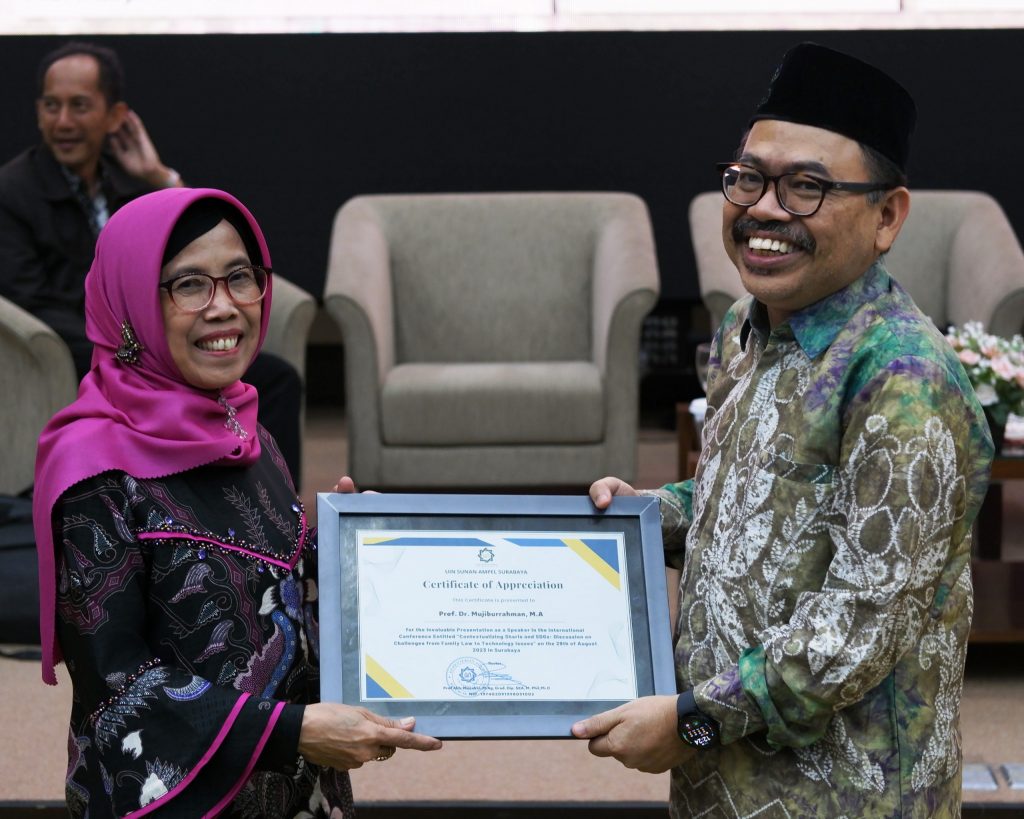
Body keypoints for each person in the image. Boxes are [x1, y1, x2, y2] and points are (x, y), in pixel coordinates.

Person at [573, 43, 994, 818]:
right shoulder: (747, 325)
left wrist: (693, 719)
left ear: (887, 215)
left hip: (844, 796)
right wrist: (646, 513)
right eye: (749, 178)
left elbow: (861, 623)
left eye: (807, 186)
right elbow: (754, 501)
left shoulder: (901, 377)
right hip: (721, 784)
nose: (765, 209)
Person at [32, 187, 441, 817]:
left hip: (294, 789)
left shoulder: (245, 432)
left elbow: (269, 608)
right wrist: (293, 732)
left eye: (240, 277)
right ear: (131, 304)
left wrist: (344, 557)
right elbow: (119, 687)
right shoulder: (93, 469)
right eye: (189, 284)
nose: (224, 307)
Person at [0, 40, 303, 483]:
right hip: (73, 346)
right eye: (51, 106)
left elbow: (201, 244)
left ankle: (267, 500)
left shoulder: (130, 179)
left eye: (79, 106)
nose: (62, 121)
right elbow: (27, 299)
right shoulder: (13, 190)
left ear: (115, 115)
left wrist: (160, 177)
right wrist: (128, 339)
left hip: (156, 339)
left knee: (276, 377)